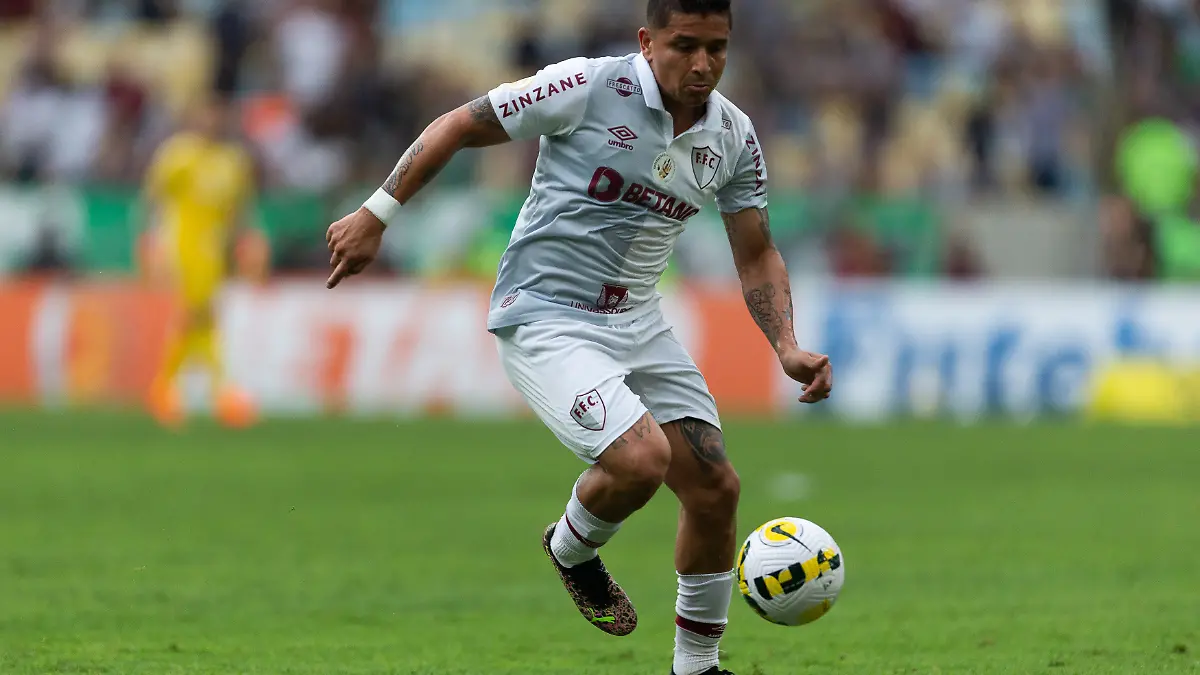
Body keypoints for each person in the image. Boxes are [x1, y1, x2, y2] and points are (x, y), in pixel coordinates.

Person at [324, 2, 833, 673]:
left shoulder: (732, 135)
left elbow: (757, 250)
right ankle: (571, 548)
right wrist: (376, 212)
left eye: (717, 48)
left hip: (638, 320)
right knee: (641, 459)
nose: (703, 63)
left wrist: (786, 343)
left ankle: (697, 667)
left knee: (716, 488)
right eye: (686, 45)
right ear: (648, 41)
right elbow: (458, 124)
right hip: (547, 314)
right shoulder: (589, 87)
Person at [142, 96, 264, 429]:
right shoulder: (178, 155)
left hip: (215, 249)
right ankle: (220, 393)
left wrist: (242, 243)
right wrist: (151, 242)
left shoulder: (232, 161)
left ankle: (167, 388)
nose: (212, 120)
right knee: (199, 314)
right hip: (183, 244)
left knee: (200, 316)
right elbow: (153, 198)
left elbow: (240, 208)